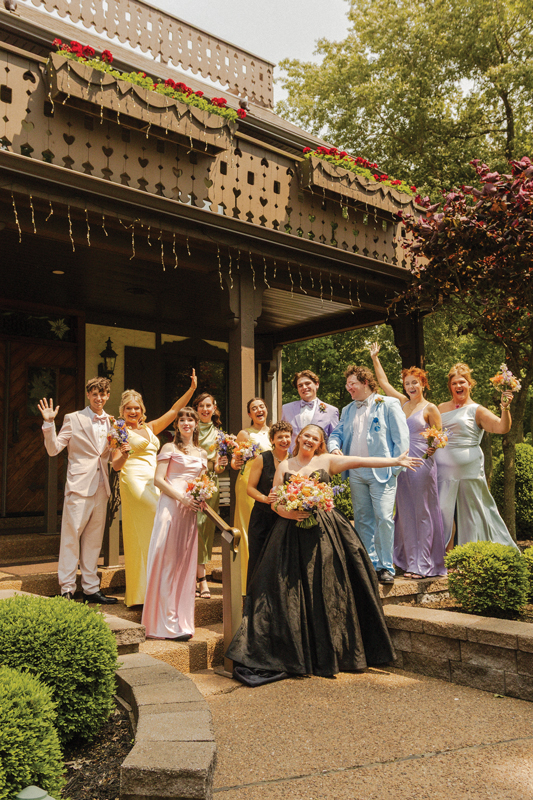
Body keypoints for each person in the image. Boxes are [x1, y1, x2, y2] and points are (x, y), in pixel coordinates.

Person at [226, 424, 422, 684]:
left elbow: (361, 461)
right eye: (306, 435)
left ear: (320, 443)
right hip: (290, 534)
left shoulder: (327, 461)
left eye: (315, 438)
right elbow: (275, 504)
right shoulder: (284, 466)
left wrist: (395, 461)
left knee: (326, 586)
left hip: (325, 533)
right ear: (299, 438)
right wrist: (290, 513)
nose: (309, 440)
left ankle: (332, 652)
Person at [111, 371, 197, 607]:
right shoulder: (119, 431)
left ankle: (151, 591)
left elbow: (174, 411)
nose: (133, 412)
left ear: (142, 410)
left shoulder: (150, 427)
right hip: (134, 481)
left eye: (136, 408)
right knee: (152, 524)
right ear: (122, 411)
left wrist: (191, 390)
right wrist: (124, 454)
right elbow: (115, 465)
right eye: (128, 408)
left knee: (153, 532)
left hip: (155, 480)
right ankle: (146, 592)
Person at [38, 377, 119, 604]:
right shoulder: (73, 418)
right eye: (95, 394)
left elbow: (112, 456)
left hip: (102, 486)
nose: (99, 398)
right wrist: (49, 424)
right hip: (79, 486)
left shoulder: (113, 422)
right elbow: (53, 449)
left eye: (103, 394)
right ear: (88, 395)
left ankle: (91, 588)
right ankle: (67, 588)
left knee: (94, 540)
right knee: (71, 537)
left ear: (108, 396)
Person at [370, 343, 446, 579]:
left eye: (415, 382)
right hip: (401, 464)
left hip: (421, 464)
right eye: (407, 383)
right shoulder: (402, 403)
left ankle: (423, 565)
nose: (411, 387)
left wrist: (434, 446)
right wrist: (375, 358)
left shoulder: (430, 408)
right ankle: (405, 559)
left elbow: (440, 437)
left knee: (422, 512)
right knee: (403, 512)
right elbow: (383, 383)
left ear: (423, 384)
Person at [328, 364, 409, 584]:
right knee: (362, 519)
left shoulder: (388, 404)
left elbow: (402, 440)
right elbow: (336, 434)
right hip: (355, 472)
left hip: (383, 472)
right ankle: (368, 565)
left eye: (352, 384)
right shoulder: (347, 409)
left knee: (384, 517)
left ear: (365, 382)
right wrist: (334, 448)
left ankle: (386, 566)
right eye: (347, 384)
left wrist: (394, 470)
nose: (348, 388)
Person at [435, 363, 517, 549]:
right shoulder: (440, 408)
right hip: (442, 473)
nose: (458, 386)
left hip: (468, 473)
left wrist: (505, 408)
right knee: (442, 512)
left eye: (462, 382)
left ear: (470, 384)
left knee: (472, 514)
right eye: (454, 383)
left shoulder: (477, 410)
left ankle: (474, 553)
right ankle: (445, 557)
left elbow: (502, 427)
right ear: (450, 386)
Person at [142, 408, 206, 640]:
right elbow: (158, 480)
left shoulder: (201, 453)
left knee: (184, 565)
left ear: (196, 424)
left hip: (189, 513)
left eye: (190, 419)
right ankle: (165, 623)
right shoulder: (169, 448)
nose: (186, 423)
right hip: (171, 507)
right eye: (182, 420)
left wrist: (201, 497)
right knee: (168, 562)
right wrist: (181, 498)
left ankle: (181, 619)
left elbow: (201, 483)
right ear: (177, 425)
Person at [231, 397, 272, 593]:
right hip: (248, 482)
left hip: (270, 484)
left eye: (261, 406)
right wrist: (235, 463)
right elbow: (235, 460)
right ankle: (247, 582)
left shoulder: (274, 432)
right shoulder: (244, 434)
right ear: (249, 414)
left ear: (266, 409)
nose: (258, 410)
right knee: (248, 527)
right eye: (254, 408)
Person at [246, 420, 293, 585]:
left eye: (287, 436)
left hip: (284, 519)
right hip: (261, 518)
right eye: (280, 437)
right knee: (258, 558)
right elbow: (250, 488)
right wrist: (265, 499)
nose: (284, 440)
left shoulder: (294, 460)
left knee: (281, 561)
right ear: (272, 439)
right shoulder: (262, 458)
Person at [193, 392, 227, 599]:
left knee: (205, 530)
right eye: (201, 406)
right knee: (193, 528)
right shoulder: (190, 428)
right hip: (190, 483)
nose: (205, 409)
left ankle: (200, 576)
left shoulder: (220, 435)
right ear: (196, 409)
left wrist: (220, 465)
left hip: (211, 485)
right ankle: (199, 578)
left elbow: (219, 469)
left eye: (209, 406)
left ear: (214, 408)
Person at [282, 369, 339, 450]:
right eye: (300, 385)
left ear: (317, 384)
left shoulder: (331, 411)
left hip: (319, 456)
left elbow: (335, 438)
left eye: (307, 383)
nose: (304, 387)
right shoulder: (286, 409)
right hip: (292, 456)